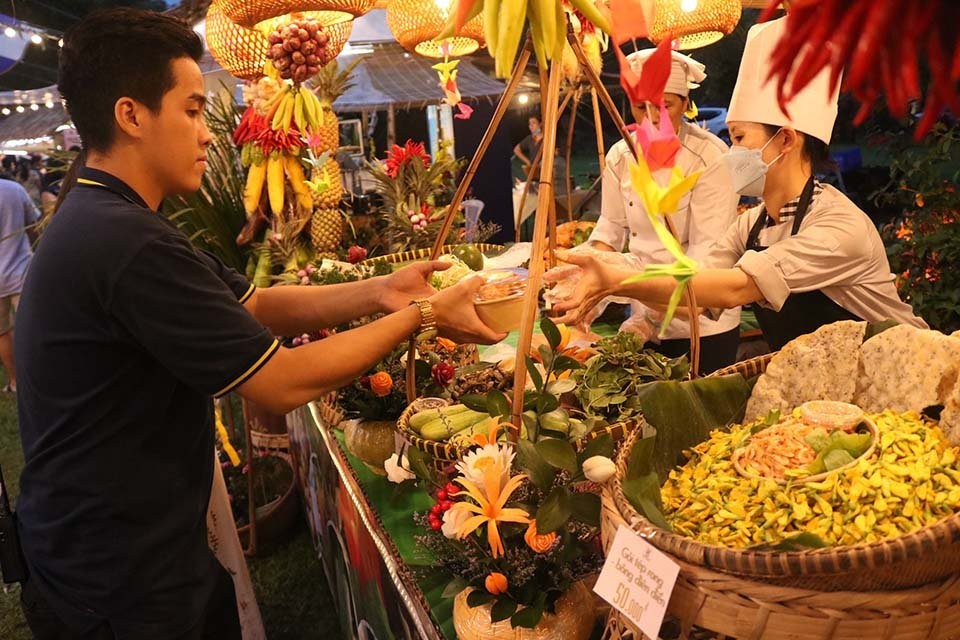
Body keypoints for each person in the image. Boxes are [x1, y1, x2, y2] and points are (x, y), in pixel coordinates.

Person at [14, 9, 504, 640]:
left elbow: (256, 305)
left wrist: (382, 290)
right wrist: (425, 314)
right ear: (131, 115)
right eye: (193, 111)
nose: (207, 135)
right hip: (115, 578)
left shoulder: (111, 216)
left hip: (112, 550)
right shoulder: (124, 243)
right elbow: (281, 382)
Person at [553, 18, 927, 349]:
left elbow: (734, 288)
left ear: (785, 139)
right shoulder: (751, 225)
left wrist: (618, 280)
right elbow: (693, 292)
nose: (730, 153)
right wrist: (608, 271)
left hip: (909, 374)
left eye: (739, 138)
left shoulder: (837, 227)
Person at [585, 49, 740, 373]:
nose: (652, 117)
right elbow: (610, 227)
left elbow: (707, 255)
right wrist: (586, 281)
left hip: (700, 325)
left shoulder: (710, 157)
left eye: (664, 105)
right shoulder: (621, 155)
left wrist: (647, 312)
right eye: (640, 107)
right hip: (643, 313)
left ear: (685, 103)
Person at [0, 179, 39, 392]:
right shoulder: (14, 189)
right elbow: (33, 226)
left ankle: (15, 382)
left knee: (2, 331)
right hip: (21, 270)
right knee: (32, 328)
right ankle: (39, 379)